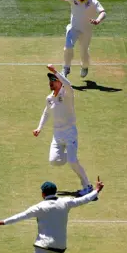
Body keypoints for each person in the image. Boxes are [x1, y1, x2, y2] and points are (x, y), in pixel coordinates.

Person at [34, 64, 92, 196]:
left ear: (60, 82)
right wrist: (39, 128)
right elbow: (46, 113)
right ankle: (72, 157)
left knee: (72, 162)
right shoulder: (49, 99)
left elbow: (68, 85)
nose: (50, 83)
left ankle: (87, 186)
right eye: (50, 81)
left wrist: (56, 71)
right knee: (54, 160)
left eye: (53, 81)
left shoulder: (68, 94)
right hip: (57, 134)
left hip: (70, 132)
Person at [53, 0, 106, 78]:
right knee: (68, 47)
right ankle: (66, 68)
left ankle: (85, 66)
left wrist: (98, 20)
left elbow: (103, 12)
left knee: (84, 53)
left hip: (86, 31)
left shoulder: (93, 1)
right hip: (74, 28)